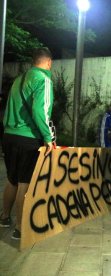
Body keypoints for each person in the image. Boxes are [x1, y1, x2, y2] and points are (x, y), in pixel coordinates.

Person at [0, 48, 55, 240]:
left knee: (12, 180)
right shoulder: (43, 80)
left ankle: (5, 217)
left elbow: (8, 108)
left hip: (9, 136)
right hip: (28, 139)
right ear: (49, 62)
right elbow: (41, 111)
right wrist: (48, 138)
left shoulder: (18, 80)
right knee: (25, 183)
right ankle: (20, 228)